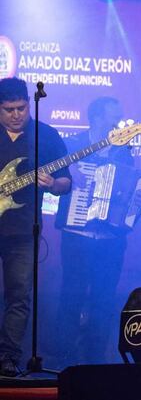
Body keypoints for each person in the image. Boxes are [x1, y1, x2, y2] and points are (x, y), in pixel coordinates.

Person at [54, 97, 141, 365]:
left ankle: (95, 360)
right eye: (113, 118)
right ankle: (64, 359)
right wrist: (68, 170)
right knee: (71, 295)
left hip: (109, 241)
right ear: (95, 118)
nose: (118, 124)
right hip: (77, 237)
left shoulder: (124, 152)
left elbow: (135, 189)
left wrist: (139, 201)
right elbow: (55, 176)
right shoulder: (71, 146)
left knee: (103, 300)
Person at [0, 77, 71, 376]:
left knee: (18, 296)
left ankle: (7, 358)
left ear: (30, 104)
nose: (16, 114)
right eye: (8, 109)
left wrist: (54, 183)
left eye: (22, 107)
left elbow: (67, 182)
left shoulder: (45, 135)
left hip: (23, 231)